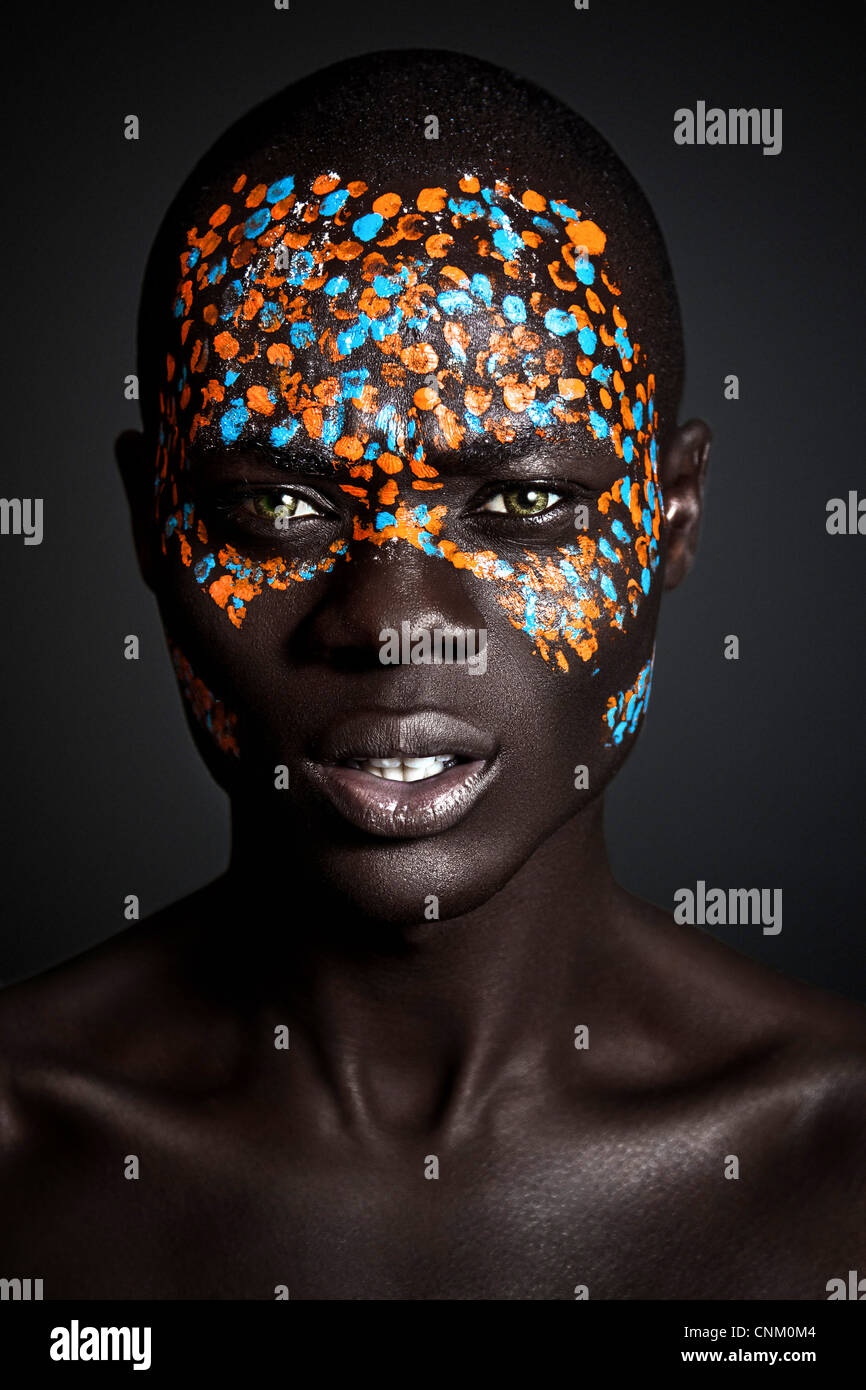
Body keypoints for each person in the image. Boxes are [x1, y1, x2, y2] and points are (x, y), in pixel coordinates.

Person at [1, 49, 864, 1301]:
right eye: (278, 505)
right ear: (152, 524)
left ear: (668, 518)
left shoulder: (837, 1161)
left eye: (521, 503)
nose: (394, 625)